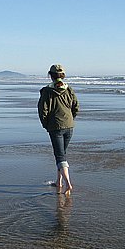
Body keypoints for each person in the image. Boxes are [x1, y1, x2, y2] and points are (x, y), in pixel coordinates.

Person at [38, 64, 79, 195]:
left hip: (55, 127)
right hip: (69, 126)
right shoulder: (69, 89)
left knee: (60, 156)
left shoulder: (46, 91)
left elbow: (42, 111)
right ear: (63, 75)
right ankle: (59, 181)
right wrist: (70, 119)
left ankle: (68, 183)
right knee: (62, 154)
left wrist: (46, 124)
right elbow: (76, 107)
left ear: (50, 75)